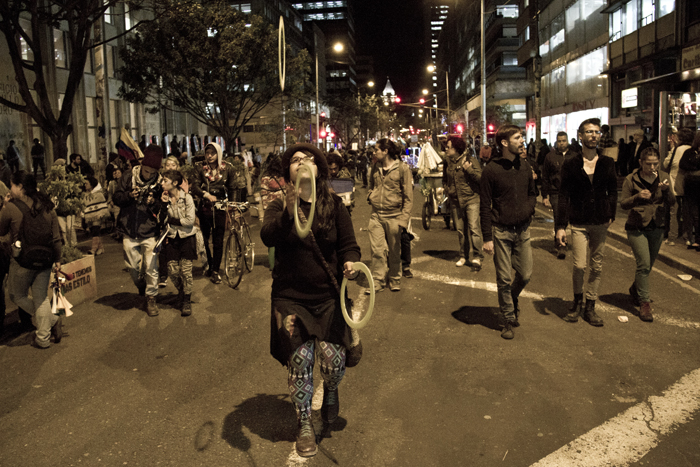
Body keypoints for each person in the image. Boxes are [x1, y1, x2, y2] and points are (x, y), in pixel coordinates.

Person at [260, 143, 361, 458]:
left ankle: (331, 388)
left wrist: (351, 262)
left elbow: (349, 244)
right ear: (288, 171)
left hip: (327, 297)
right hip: (290, 298)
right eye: (295, 160)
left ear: (318, 168)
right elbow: (268, 236)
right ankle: (304, 422)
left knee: (334, 363)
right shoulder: (279, 205)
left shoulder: (334, 204)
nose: (302, 163)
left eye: (308, 159)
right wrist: (288, 214)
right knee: (300, 363)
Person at [556, 118, 618, 327]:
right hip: (579, 221)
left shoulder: (607, 162)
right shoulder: (571, 163)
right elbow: (563, 195)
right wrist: (560, 226)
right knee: (580, 265)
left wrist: (611, 213)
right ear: (580, 136)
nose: (594, 135)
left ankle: (590, 306)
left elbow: (613, 191)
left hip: (600, 220)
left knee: (597, 265)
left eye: (597, 132)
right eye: (589, 132)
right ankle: (577, 302)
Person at [480, 125, 537, 340]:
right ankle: (507, 318)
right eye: (517, 137)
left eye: (521, 137)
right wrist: (487, 238)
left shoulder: (525, 166)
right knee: (503, 278)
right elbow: (485, 205)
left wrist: (529, 209)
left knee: (525, 275)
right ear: (504, 143)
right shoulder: (491, 170)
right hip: (501, 231)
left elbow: (532, 193)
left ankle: (512, 298)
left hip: (522, 230)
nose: (522, 140)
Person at [0, 171, 62, 349]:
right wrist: (58, 260)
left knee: (16, 295)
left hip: (22, 261)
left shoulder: (11, 207)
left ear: (20, 187)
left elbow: (1, 230)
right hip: (46, 258)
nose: (10, 189)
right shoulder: (47, 205)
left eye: (12, 185)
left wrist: (4, 206)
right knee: (41, 298)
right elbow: (56, 237)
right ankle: (44, 335)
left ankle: (51, 321)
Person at [620, 147, 673, 322]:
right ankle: (644, 303)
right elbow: (623, 204)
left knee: (649, 265)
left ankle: (635, 289)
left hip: (657, 225)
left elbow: (672, 201)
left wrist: (666, 191)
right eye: (648, 164)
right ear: (641, 162)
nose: (652, 167)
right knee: (643, 264)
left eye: (655, 164)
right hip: (636, 226)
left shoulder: (663, 177)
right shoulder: (631, 179)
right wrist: (637, 197)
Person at [113, 144, 164, 316]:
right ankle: (141, 284)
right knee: (132, 265)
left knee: (151, 266)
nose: (149, 175)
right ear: (142, 165)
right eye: (146, 170)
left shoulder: (160, 182)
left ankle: (151, 297)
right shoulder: (128, 176)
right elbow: (116, 197)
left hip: (150, 230)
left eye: (152, 172)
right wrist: (129, 196)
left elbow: (164, 206)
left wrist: (153, 203)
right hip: (129, 228)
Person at [367, 138, 413, 293]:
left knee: (394, 251)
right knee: (377, 251)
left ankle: (394, 278)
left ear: (385, 151)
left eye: (377, 150)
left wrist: (404, 219)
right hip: (376, 215)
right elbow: (371, 186)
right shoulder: (375, 167)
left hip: (394, 216)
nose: (374, 152)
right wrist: (371, 196)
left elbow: (408, 196)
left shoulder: (402, 169)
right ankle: (378, 281)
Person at [191, 142, 237, 284]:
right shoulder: (199, 167)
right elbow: (195, 186)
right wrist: (205, 194)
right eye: (207, 153)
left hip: (220, 207)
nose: (210, 156)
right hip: (204, 207)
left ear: (218, 154)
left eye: (213, 153)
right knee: (204, 240)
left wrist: (232, 206)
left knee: (218, 241)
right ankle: (210, 264)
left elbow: (233, 188)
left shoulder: (228, 168)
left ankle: (215, 270)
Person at [160, 169, 197, 316]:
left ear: (175, 183)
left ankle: (186, 299)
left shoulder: (187, 198)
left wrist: (172, 220)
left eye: (165, 181)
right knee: (172, 270)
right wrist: (163, 205)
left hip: (187, 237)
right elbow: (162, 221)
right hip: (172, 237)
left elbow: (190, 221)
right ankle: (182, 291)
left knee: (186, 271)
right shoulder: (165, 198)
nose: (162, 183)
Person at [443, 135, 483, 268]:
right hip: (455, 201)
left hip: (471, 199)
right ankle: (463, 256)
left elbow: (481, 179)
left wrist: (469, 169)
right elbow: (445, 179)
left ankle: (477, 256)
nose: (446, 149)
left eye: (448, 147)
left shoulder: (470, 160)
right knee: (460, 230)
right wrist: (447, 189)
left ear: (456, 148)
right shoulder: (448, 162)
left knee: (474, 228)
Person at [541, 131, 576, 259]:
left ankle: (563, 238)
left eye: (564, 141)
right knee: (559, 217)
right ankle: (561, 244)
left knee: (569, 217)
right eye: (559, 141)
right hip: (556, 192)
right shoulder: (550, 157)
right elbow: (545, 176)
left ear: (567, 141)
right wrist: (545, 195)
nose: (561, 143)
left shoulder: (575, 156)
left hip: (572, 192)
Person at [664, 128, 693, 246]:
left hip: (675, 182)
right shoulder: (693, 149)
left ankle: (672, 237)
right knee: (688, 212)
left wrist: (671, 150)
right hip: (689, 184)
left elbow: (666, 164)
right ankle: (688, 236)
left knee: (674, 211)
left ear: (680, 138)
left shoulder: (677, 150)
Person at [679, 130, 700, 249]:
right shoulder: (689, 152)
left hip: (694, 185)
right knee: (694, 214)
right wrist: (695, 167)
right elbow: (683, 165)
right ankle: (696, 239)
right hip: (692, 187)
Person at [82, 175, 109, 255]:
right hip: (89, 217)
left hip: (98, 216)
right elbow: (84, 206)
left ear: (91, 184)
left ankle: (93, 249)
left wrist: (101, 214)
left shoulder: (99, 194)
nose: (85, 185)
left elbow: (102, 204)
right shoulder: (85, 195)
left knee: (95, 231)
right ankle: (100, 248)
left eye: (87, 183)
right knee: (93, 232)